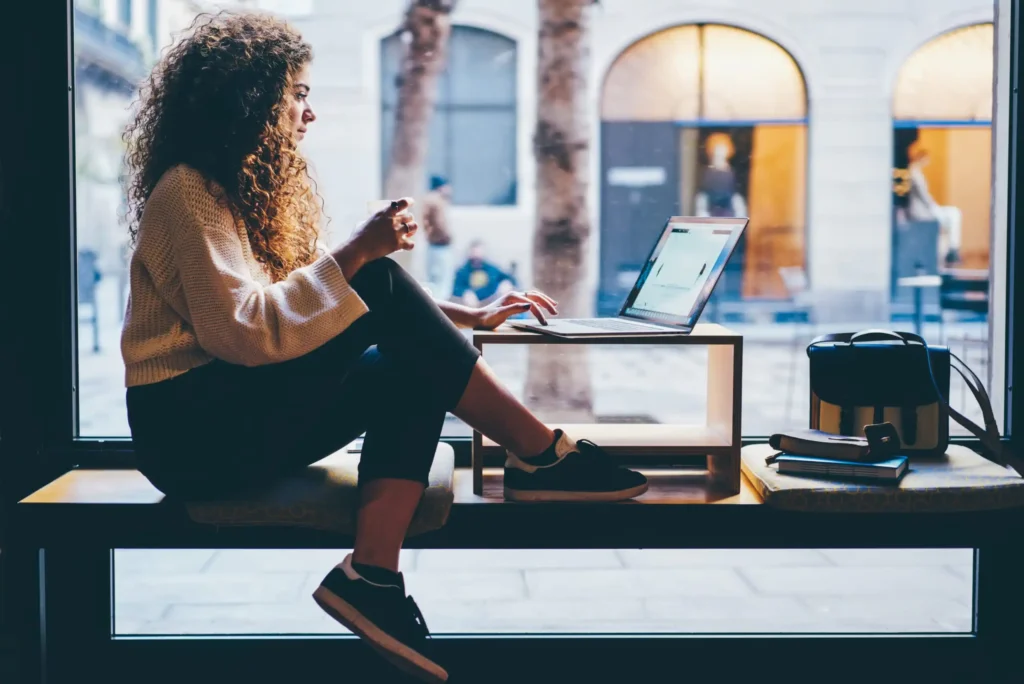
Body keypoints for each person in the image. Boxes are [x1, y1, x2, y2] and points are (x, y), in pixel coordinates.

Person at [119, 13, 646, 684]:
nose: (308, 113)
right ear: (249, 97)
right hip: (191, 434)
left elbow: (320, 297)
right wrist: (362, 251)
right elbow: (245, 333)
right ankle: (540, 452)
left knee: (409, 363)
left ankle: (371, 575)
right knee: (377, 277)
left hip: (229, 415)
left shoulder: (235, 192)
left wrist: (466, 312)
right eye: (298, 93)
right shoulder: (188, 192)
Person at [907, 143, 963, 266]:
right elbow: (924, 197)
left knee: (952, 218)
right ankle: (953, 249)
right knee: (953, 215)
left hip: (926, 209)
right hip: (922, 212)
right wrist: (934, 206)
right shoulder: (914, 173)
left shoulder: (915, 173)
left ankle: (952, 249)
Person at [451, 240, 517, 307]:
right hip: (470, 305)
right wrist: (465, 293)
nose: (477, 254)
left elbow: (509, 279)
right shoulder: (462, 271)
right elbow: (454, 287)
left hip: (492, 302)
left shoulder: (492, 269)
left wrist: (506, 283)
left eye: (479, 251)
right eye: (474, 251)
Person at [421, 175, 453, 298]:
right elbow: (440, 225)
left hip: (433, 246)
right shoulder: (435, 201)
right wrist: (447, 236)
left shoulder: (429, 200)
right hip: (439, 245)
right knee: (441, 283)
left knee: (434, 280)